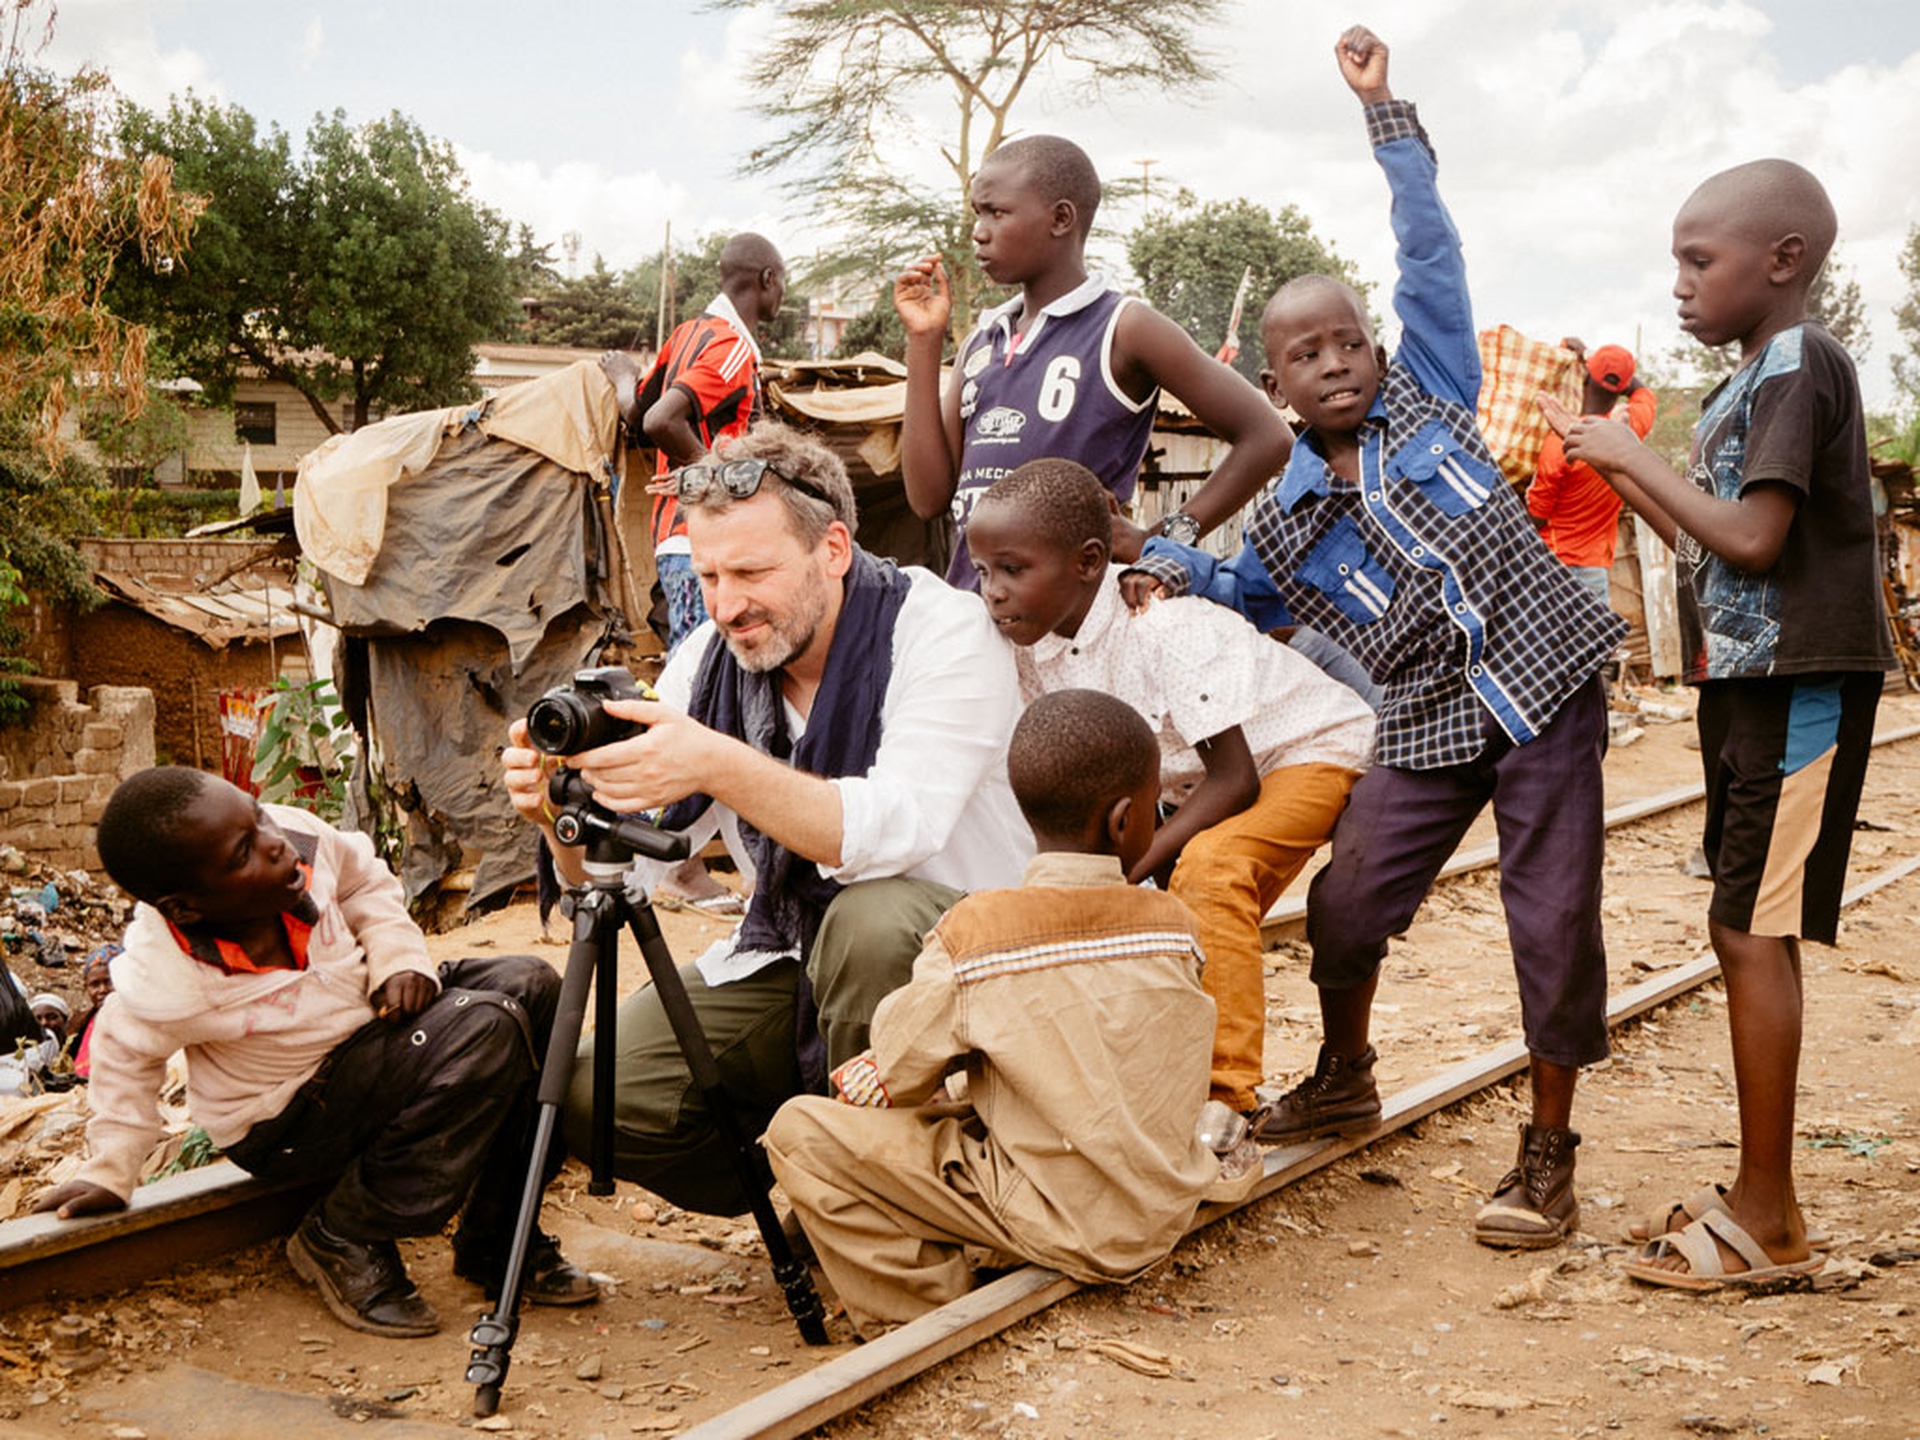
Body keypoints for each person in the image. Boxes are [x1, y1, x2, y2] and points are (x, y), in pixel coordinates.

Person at [1124, 27, 1626, 1250]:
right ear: (1279, 390)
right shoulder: (1288, 522)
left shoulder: (1435, 394)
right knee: (1349, 915)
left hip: (1548, 686)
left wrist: (1382, 110)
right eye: (1305, 356)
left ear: (1377, 347)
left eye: (1347, 340)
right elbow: (1243, 592)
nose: (1335, 362)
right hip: (1431, 719)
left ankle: (1548, 1152)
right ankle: (1345, 1074)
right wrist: (1164, 561)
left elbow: (1429, 252)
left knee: (1550, 921)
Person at [500, 421, 1032, 1218]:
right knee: (595, 1094)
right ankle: (819, 1180)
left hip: (966, 959)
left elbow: (896, 831)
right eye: (709, 575)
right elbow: (619, 874)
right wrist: (558, 811)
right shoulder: (710, 661)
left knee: (872, 920)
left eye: (752, 570)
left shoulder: (942, 629)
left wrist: (717, 762)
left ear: (834, 551)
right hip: (799, 950)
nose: (727, 604)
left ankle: (900, 1209)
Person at [1543, 158, 1894, 1291]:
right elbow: (1705, 539)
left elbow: (1753, 542)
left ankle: (1771, 1216)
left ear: (1782, 262)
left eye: (1700, 261)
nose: (1682, 285)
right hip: (1749, 683)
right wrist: (1610, 454)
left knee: (1754, 932)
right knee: (1737, 924)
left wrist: (1634, 453)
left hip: (1799, 683)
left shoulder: (1802, 364)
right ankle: (1759, 1195)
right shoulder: (1748, 380)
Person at [33, 768, 597, 1337]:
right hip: (291, 1117)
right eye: (242, 852)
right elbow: (122, 1055)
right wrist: (110, 1169)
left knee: (534, 983)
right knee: (487, 1029)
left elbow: (362, 885)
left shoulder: (296, 841)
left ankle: (497, 1236)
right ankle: (344, 1232)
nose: (272, 839)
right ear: (185, 908)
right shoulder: (170, 980)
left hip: (367, 1031)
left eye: (256, 815)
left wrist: (397, 958)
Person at [966, 459, 1375, 1181]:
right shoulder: (1030, 647)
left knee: (1209, 872)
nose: (992, 591)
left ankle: (1225, 1100)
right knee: (1134, 908)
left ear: (1089, 563)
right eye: (982, 570)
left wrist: (1130, 870)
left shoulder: (1164, 627)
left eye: (1011, 568)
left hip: (1305, 749)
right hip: (1192, 784)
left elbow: (1234, 778)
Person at [764, 688, 1216, 1335]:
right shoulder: (1176, 925)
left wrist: (908, 1069)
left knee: (800, 1130)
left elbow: (897, 1075)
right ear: (1124, 822)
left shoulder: (976, 933)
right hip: (1163, 1204)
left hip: (1065, 1220)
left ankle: (917, 1317)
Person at [892, 135, 1291, 589]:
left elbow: (1268, 435)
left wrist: (1161, 540)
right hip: (977, 617)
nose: (979, 232)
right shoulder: (983, 342)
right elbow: (928, 500)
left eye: (997, 213)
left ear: (1061, 218)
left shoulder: (1123, 327)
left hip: (1077, 626)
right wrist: (924, 343)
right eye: (978, 214)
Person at [624, 233, 786, 915]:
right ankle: (675, 863)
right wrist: (726, 493)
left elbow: (637, 414)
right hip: (704, 547)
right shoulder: (730, 344)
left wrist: (618, 379)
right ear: (766, 279)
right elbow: (663, 420)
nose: (784, 295)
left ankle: (677, 861)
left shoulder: (688, 333)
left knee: (708, 699)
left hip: (676, 544)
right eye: (783, 284)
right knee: (717, 707)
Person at [1527, 339, 1658, 606]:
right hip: (1593, 569)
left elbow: (1537, 517)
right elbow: (1643, 391)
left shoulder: (1562, 440)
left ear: (1584, 377)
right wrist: (1617, 374)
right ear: (1621, 390)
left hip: (1553, 566)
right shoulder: (1628, 430)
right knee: (1593, 646)